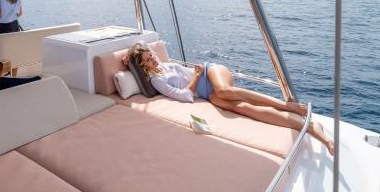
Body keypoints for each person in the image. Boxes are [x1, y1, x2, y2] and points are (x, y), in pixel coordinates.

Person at [125, 43, 334, 155]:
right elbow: (185, 97)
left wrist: (199, 74)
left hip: (211, 73)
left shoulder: (167, 66)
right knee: (245, 109)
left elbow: (195, 75)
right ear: (143, 66)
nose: (153, 58)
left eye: (151, 54)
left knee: (224, 91)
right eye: (147, 59)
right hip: (204, 91)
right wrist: (196, 76)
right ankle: (312, 129)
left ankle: (290, 107)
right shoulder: (156, 81)